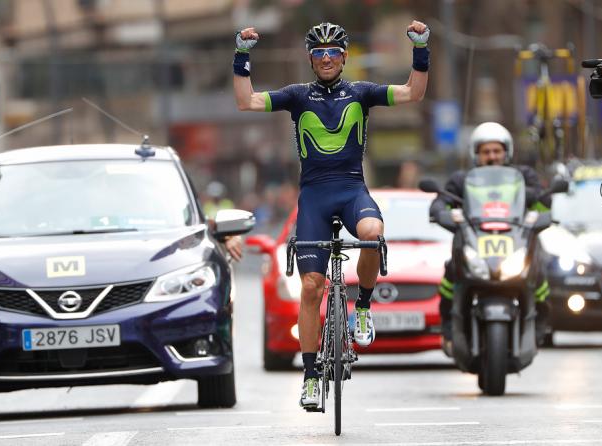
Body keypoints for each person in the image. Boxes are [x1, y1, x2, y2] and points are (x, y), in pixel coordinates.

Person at [233, 21, 429, 408]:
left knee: (372, 232)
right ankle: (309, 376)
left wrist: (421, 48)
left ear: (344, 57)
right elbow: (247, 101)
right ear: (310, 59)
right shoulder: (296, 96)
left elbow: (413, 92)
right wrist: (241, 56)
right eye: (318, 53)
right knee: (310, 287)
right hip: (315, 198)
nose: (325, 58)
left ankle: (363, 307)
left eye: (333, 52)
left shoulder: (362, 92)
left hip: (352, 190)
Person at [429, 122, 552, 357]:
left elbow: (544, 204)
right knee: (451, 275)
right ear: (476, 154)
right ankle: (449, 330)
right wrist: (442, 212)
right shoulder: (460, 180)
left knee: (538, 273)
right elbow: (439, 202)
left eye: (497, 151)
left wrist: (537, 204)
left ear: (507, 152)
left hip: (516, 240)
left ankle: (539, 325)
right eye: (486, 152)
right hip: (474, 242)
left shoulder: (524, 177)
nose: (492, 156)